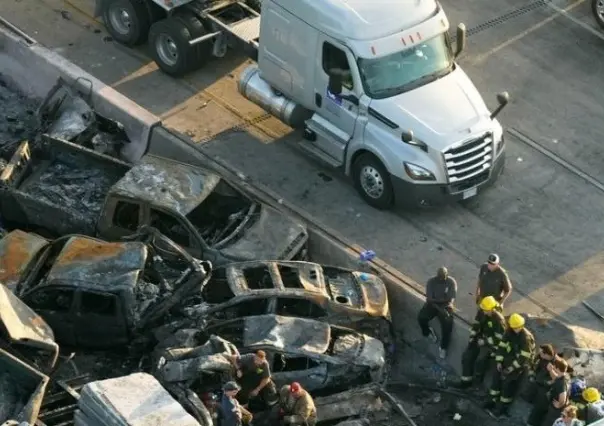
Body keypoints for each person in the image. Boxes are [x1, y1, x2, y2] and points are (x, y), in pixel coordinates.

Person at [485, 313, 536, 418]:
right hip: (509, 358)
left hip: (519, 365)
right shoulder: (509, 332)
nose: (515, 329)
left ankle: (501, 410)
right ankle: (491, 402)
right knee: (496, 380)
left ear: (521, 326)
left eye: (516, 328)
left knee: (508, 386)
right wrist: (499, 361)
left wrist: (511, 368)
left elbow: (524, 357)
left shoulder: (525, 338)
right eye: (513, 327)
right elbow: (501, 346)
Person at [455, 296, 506, 389]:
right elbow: (476, 325)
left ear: (492, 309)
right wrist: (472, 338)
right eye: (483, 309)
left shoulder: (499, 320)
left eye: (486, 310)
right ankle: (465, 382)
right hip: (479, 339)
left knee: (480, 361)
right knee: (467, 356)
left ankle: (477, 386)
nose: (484, 312)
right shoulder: (482, 312)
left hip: (490, 345)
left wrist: (485, 342)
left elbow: (499, 338)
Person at [417, 266, 457, 359]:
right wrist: (441, 305)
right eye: (440, 277)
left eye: (444, 277)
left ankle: (443, 347)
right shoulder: (431, 282)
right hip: (433, 305)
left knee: (447, 325)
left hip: (445, 306)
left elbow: (451, 298)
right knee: (421, 317)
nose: (442, 279)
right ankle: (427, 332)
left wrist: (447, 304)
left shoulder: (451, 282)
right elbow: (430, 299)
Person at [527, 357, 571, 426]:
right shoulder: (562, 377)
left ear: (557, 369)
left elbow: (563, 397)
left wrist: (559, 405)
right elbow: (556, 377)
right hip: (552, 406)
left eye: (554, 367)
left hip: (555, 410)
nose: (553, 367)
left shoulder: (561, 383)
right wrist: (551, 370)